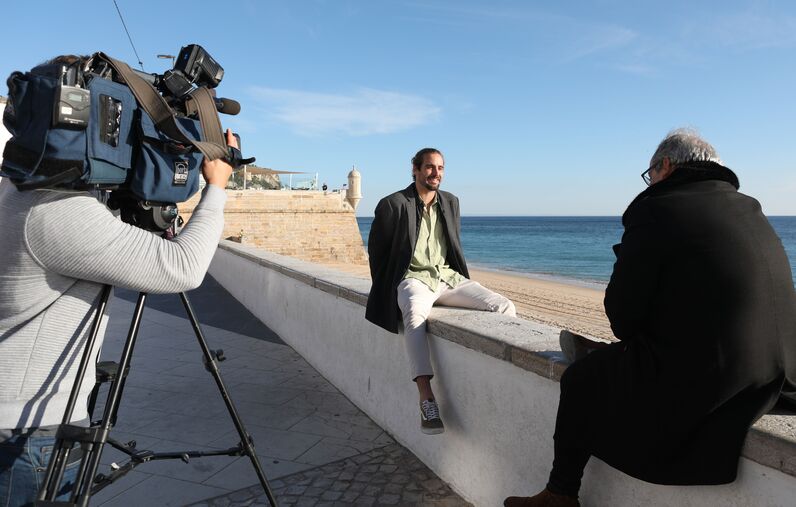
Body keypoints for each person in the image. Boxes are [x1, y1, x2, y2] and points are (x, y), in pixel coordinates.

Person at [504, 129, 796, 507]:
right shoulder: (750, 207)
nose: (650, 182)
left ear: (665, 166)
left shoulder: (657, 207)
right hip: (782, 375)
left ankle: (560, 494)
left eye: (650, 174)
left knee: (580, 380)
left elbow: (622, 320)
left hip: (719, 380)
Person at [0, 56, 237, 506]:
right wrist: (217, 187)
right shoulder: (58, 211)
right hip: (29, 432)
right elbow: (182, 267)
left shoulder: (17, 192)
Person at [366, 147, 516, 434]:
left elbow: (452, 244)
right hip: (413, 279)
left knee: (504, 306)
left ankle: (498, 381)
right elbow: (378, 254)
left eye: (441, 168)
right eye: (430, 167)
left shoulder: (451, 202)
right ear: (415, 169)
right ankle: (426, 397)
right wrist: (389, 290)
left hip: (447, 277)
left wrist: (456, 276)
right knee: (415, 316)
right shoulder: (393, 204)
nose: (436, 173)